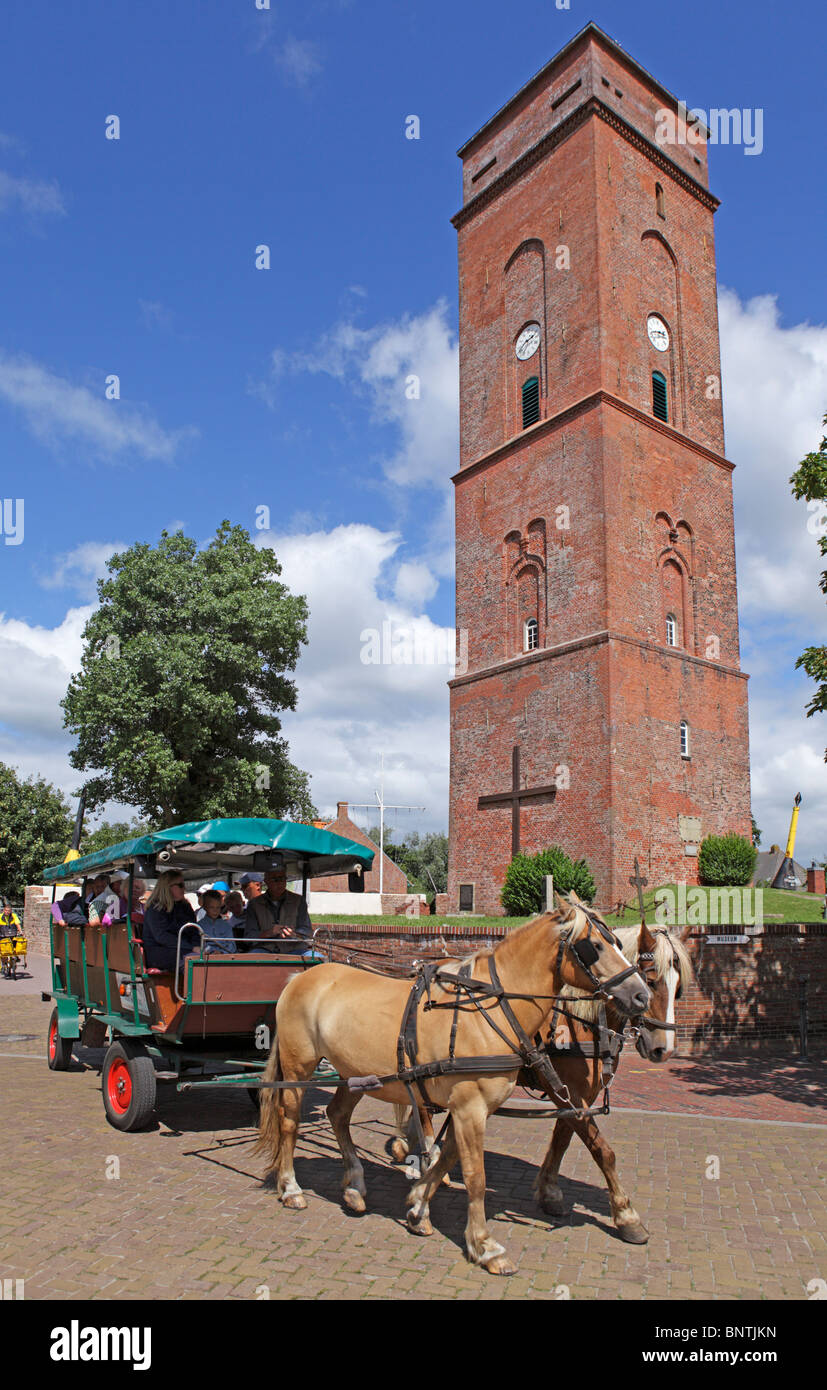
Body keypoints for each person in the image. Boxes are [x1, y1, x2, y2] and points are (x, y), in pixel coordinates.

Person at [240, 867, 312, 953]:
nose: (280, 883)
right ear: (266, 881)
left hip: (294, 949)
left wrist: (295, 934)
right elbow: (249, 937)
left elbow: (307, 932)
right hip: (265, 949)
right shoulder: (254, 904)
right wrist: (269, 932)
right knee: (252, 959)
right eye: (275, 879)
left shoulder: (298, 901)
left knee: (318, 958)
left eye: (282, 879)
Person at [142, 873, 200, 972]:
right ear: (167, 887)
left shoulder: (185, 907)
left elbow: (194, 932)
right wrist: (191, 948)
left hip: (183, 951)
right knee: (196, 962)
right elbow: (162, 937)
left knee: (209, 960)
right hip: (159, 952)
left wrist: (198, 946)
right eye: (180, 885)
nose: (184, 888)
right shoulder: (155, 908)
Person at [198, 889, 236, 954]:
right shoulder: (199, 926)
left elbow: (232, 946)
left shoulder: (226, 925)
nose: (215, 911)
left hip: (225, 957)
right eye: (211, 907)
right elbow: (198, 944)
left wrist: (222, 952)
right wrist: (211, 951)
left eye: (218, 907)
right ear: (204, 907)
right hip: (206, 958)